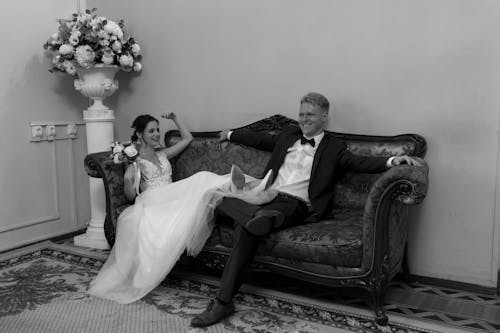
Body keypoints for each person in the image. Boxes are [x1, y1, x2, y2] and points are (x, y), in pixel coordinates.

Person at [190, 92, 422, 327]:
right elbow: (260, 140)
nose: (303, 119)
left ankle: (222, 301)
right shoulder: (288, 134)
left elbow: (359, 162)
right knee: (218, 198)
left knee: (254, 224)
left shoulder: (334, 146)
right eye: (301, 114)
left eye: (309, 114)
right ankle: (256, 218)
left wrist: (393, 161)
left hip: (296, 203)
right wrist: (230, 134)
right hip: (264, 196)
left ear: (324, 117)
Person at [87, 112, 277, 303]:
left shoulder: (163, 154)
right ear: (140, 134)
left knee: (204, 183)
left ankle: (246, 187)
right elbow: (130, 196)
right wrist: (128, 179)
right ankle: (247, 187)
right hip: (154, 201)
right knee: (202, 180)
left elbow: (188, 138)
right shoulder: (135, 163)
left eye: (158, 130)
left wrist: (175, 119)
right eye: (151, 131)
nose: (156, 134)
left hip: (172, 195)